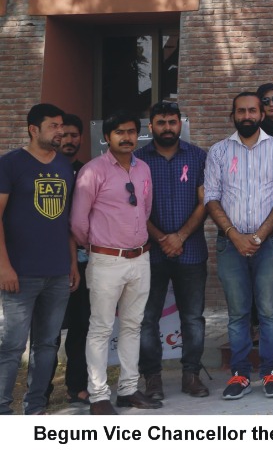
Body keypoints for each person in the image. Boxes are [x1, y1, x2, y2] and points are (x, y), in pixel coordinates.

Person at [204, 91, 273, 400]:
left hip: (268, 244)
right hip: (229, 244)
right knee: (238, 313)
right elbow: (211, 197)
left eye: (252, 111)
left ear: (261, 115)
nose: (247, 116)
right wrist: (235, 235)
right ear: (233, 116)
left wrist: (257, 237)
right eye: (241, 111)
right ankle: (240, 374)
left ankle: (271, 373)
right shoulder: (218, 151)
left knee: (269, 312)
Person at [70, 111, 157, 414]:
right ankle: (98, 396)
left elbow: (144, 210)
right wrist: (97, 246)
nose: (127, 137)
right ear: (106, 137)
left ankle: (129, 389)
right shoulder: (93, 171)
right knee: (101, 328)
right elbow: (79, 221)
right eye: (119, 132)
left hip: (140, 257)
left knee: (133, 326)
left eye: (131, 131)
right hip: (106, 259)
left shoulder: (143, 168)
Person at [0, 103, 76, 417]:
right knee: (13, 346)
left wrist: (72, 263)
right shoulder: (10, 164)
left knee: (47, 346)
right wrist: (3, 266)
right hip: (20, 273)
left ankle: (36, 407)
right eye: (54, 126)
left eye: (62, 126)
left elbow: (67, 221)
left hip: (58, 273)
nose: (61, 131)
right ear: (34, 129)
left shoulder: (64, 166)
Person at [136, 101, 209, 400]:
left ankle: (191, 375)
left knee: (192, 318)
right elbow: (136, 208)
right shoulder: (138, 161)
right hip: (150, 253)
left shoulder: (198, 157)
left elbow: (206, 202)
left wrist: (179, 237)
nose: (168, 127)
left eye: (172, 121)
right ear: (150, 126)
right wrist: (162, 238)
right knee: (147, 318)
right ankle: (152, 379)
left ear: (181, 124)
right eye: (161, 122)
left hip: (191, 251)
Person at [55, 113, 91, 407]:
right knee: (48, 331)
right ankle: (39, 392)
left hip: (83, 262)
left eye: (74, 135)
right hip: (48, 262)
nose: (69, 140)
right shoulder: (43, 169)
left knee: (81, 326)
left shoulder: (86, 171)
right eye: (64, 135)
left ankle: (77, 386)